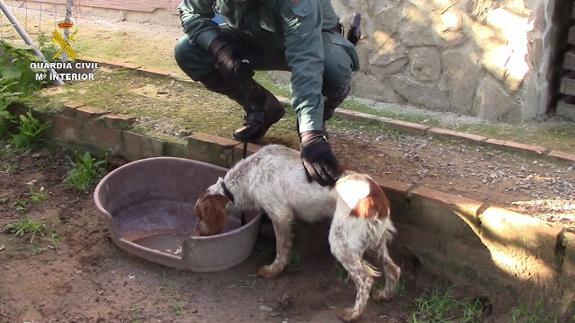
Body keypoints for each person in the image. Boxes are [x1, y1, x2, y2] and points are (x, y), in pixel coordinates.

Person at [174, 0, 359, 186]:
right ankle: (262, 107)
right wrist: (219, 50)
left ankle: (317, 121)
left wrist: (311, 134)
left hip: (315, 40)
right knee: (188, 51)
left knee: (335, 69)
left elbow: (307, 62)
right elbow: (191, 12)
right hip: (252, 39)